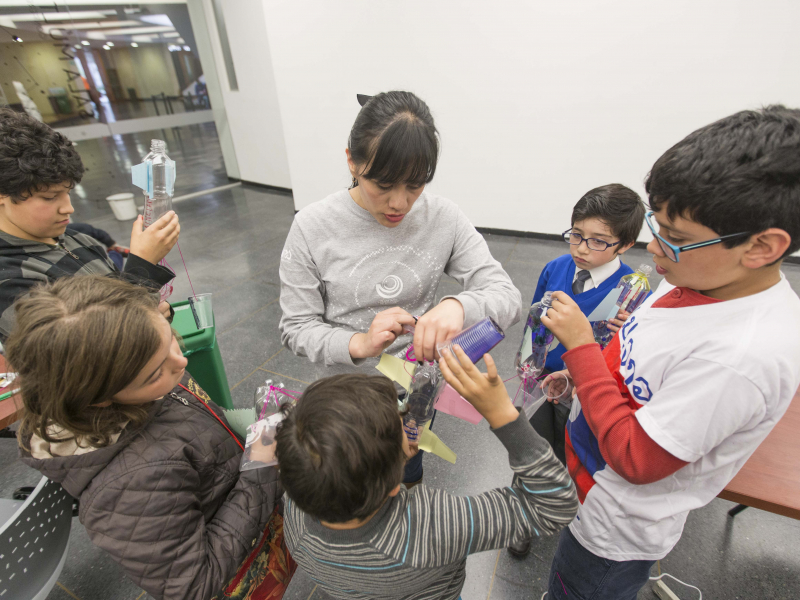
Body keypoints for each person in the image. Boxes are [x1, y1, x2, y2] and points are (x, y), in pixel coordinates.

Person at [539, 105, 800, 600]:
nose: (654, 251)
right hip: (585, 485)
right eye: (657, 229)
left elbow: (638, 459)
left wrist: (579, 350)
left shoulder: (742, 358)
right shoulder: (700, 275)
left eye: (675, 240)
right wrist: (581, 379)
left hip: (613, 531)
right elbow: (638, 351)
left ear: (762, 247)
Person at [279, 91, 522, 485]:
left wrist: (457, 307)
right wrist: (359, 343)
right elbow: (296, 327)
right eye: (383, 184)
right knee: (350, 489)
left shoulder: (443, 218)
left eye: (415, 185)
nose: (399, 203)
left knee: (406, 475)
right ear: (352, 162)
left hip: (417, 392)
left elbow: (506, 296)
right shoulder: (312, 227)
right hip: (346, 400)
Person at [14, 276, 293, 600]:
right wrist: (262, 461)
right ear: (100, 397)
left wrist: (254, 430)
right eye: (155, 373)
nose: (182, 363)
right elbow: (193, 584)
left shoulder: (140, 382)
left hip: (250, 514)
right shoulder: (125, 488)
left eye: (169, 337)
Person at [276, 345, 578, 600]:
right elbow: (555, 504)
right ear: (395, 483)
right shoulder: (435, 525)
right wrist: (503, 414)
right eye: (403, 435)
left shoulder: (296, 506)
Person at [508, 184, 644, 558]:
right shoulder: (556, 268)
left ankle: (564, 509)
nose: (582, 248)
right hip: (540, 381)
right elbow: (535, 319)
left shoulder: (632, 290)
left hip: (585, 390)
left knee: (573, 451)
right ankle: (524, 517)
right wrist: (526, 362)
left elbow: (627, 355)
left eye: (599, 241)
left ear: (625, 244)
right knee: (531, 449)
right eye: (577, 235)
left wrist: (626, 332)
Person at [0, 107, 179, 340]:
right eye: (50, 197)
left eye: (67, 193)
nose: (68, 208)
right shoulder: (11, 278)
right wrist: (142, 267)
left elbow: (121, 304)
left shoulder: (80, 241)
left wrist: (154, 313)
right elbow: (78, 350)